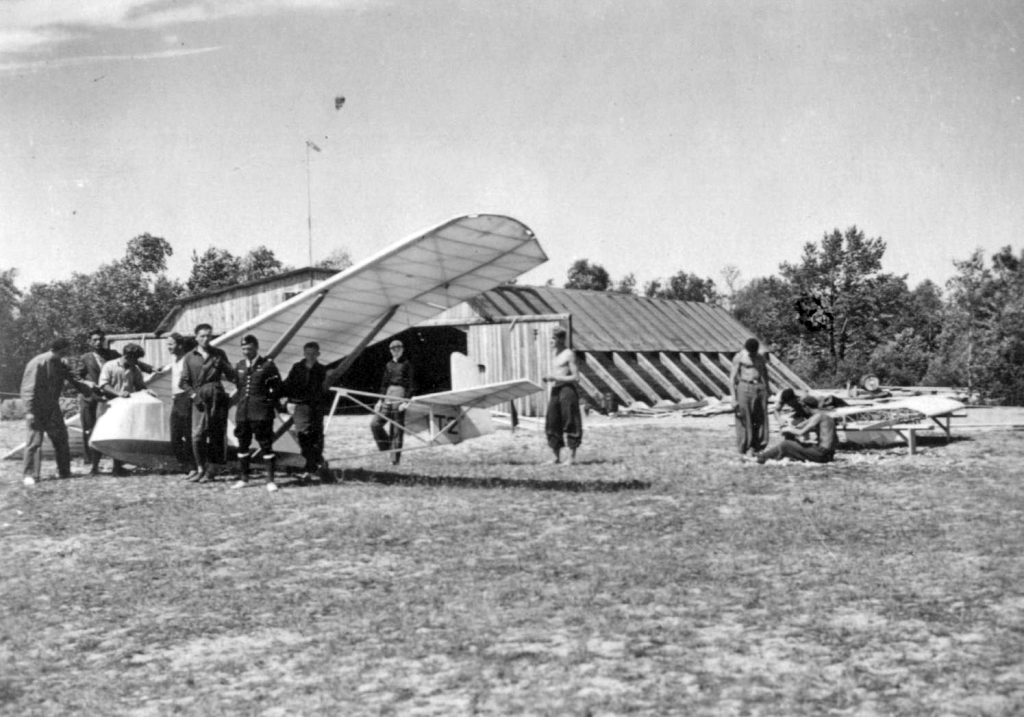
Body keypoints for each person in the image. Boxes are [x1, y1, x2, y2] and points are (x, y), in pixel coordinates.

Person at [20, 338, 93, 486]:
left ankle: (64, 471)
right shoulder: (38, 362)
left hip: (52, 409)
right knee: (34, 443)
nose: (68, 353)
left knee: (61, 440)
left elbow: (73, 380)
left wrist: (89, 389)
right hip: (37, 409)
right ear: (62, 350)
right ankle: (29, 475)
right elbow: (28, 388)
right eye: (67, 350)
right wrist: (29, 412)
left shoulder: (60, 363)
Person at [180, 323, 237, 482]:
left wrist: (232, 394)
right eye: (202, 336)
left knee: (216, 433)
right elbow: (183, 382)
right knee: (197, 435)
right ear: (196, 337)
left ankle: (211, 470)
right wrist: (194, 396)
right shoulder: (189, 357)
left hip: (217, 396)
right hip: (199, 398)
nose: (206, 339)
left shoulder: (219, 354)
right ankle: (200, 468)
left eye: (209, 336)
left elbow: (231, 375)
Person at [230, 335, 282, 491]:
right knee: (242, 444)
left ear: (256, 348)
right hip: (243, 413)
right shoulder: (239, 365)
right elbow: (240, 388)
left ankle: (270, 481)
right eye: (244, 349)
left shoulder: (267, 365)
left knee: (266, 445)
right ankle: (244, 478)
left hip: (261, 413)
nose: (246, 352)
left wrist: (267, 403)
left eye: (249, 349)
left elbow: (277, 387)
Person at [283, 341, 331, 482]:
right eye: (307, 353)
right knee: (303, 435)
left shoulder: (322, 370)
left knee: (317, 436)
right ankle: (313, 465)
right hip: (301, 406)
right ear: (304, 353)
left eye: (313, 354)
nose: (310, 356)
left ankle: (314, 466)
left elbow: (325, 389)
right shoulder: (297, 368)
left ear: (318, 354)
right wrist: (287, 400)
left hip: (316, 407)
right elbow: (288, 384)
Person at [97, 343, 148, 476]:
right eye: (134, 358)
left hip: (126, 408)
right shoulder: (110, 366)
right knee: (110, 435)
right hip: (110, 406)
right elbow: (103, 385)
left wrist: (148, 391)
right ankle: (95, 467)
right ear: (126, 356)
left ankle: (118, 467)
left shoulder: (135, 369)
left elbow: (140, 385)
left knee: (123, 435)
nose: (136, 361)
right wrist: (118, 394)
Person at [75, 328, 122, 474]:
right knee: (90, 430)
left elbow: (131, 362)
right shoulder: (85, 358)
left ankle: (118, 465)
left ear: (104, 340)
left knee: (115, 431)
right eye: (94, 340)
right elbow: (76, 377)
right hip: (90, 399)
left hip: (110, 399)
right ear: (90, 342)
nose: (98, 342)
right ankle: (93, 465)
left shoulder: (113, 355)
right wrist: (87, 383)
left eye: (100, 339)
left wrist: (150, 369)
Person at [756, 395, 838, 464]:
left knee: (786, 444)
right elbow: (802, 425)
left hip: (821, 454)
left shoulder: (818, 417)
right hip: (829, 455)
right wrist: (792, 427)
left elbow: (800, 432)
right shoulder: (824, 415)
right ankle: (771, 456)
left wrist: (788, 429)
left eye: (802, 407)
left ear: (806, 406)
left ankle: (761, 458)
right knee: (795, 444)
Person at [542, 326, 582, 465]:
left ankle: (571, 458)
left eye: (553, 338)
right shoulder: (554, 354)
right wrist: (550, 378)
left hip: (567, 391)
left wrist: (555, 377)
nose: (550, 341)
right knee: (552, 422)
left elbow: (576, 377)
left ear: (561, 339)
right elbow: (557, 374)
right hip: (555, 390)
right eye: (551, 338)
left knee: (570, 422)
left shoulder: (569, 354)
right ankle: (556, 457)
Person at [370, 339, 413, 465]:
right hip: (388, 394)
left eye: (398, 348)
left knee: (396, 428)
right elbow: (384, 384)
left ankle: (395, 460)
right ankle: (387, 447)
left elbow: (411, 384)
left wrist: (406, 401)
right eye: (393, 349)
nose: (396, 350)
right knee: (375, 424)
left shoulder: (407, 364)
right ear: (390, 351)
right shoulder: (388, 365)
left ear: (402, 349)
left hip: (400, 395)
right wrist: (380, 400)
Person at [163, 333, 198, 479]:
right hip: (176, 399)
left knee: (187, 434)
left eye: (171, 344)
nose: (168, 347)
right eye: (168, 344)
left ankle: (194, 467)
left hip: (186, 398)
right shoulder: (174, 359)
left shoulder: (188, 359)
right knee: (175, 436)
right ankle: (185, 466)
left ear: (180, 345)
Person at [730, 337, 770, 456]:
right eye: (751, 352)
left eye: (755, 352)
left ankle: (758, 446)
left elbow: (764, 374)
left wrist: (766, 390)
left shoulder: (760, 357)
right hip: (744, 386)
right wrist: (733, 397)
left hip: (759, 387)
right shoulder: (740, 357)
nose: (753, 354)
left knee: (760, 417)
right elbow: (732, 378)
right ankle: (746, 446)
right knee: (744, 416)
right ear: (747, 349)